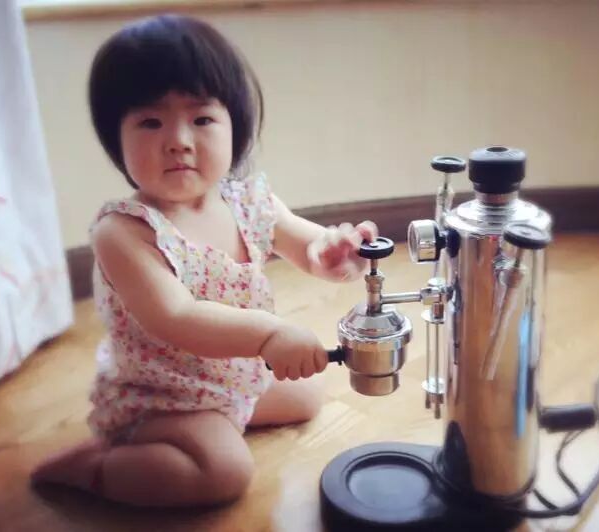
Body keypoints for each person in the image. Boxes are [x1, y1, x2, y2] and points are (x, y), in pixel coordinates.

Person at [31, 14, 377, 508]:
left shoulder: (249, 202)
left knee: (307, 394)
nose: (178, 139)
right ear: (116, 138)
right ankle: (97, 465)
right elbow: (177, 317)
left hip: (230, 374)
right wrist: (269, 334)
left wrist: (337, 253)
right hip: (163, 395)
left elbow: (309, 247)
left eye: (201, 119)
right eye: (151, 122)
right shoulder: (124, 232)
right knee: (223, 473)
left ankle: (224, 418)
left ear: (235, 126)